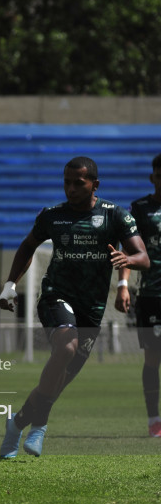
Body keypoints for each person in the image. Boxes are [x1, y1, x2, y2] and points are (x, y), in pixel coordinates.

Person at [0, 156, 149, 458]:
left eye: (78, 183)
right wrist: (10, 285)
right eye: (66, 182)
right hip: (56, 296)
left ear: (95, 184)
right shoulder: (53, 216)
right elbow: (28, 246)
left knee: (57, 383)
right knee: (66, 347)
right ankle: (40, 426)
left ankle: (16, 424)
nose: (70, 189)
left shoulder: (115, 215)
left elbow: (142, 257)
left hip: (92, 308)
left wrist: (128, 260)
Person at [115, 152, 161, 438]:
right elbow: (129, 251)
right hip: (152, 295)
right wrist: (123, 284)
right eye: (160, 176)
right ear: (152, 178)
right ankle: (154, 420)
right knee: (153, 359)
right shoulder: (140, 209)